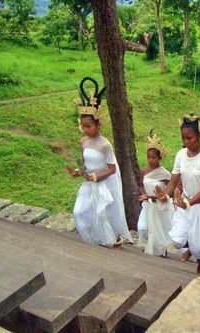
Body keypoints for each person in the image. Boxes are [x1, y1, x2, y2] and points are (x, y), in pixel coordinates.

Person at [67, 77, 132, 247]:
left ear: (98, 123)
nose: (86, 129)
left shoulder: (105, 144)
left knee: (103, 214)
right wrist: (77, 171)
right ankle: (94, 239)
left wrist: (95, 177)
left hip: (102, 182)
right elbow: (84, 163)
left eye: (89, 126)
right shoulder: (83, 142)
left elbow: (111, 169)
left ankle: (110, 240)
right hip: (89, 184)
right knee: (79, 212)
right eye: (83, 126)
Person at [157, 113, 200, 275]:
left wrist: (189, 203)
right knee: (176, 241)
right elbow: (173, 181)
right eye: (183, 138)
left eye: (189, 138)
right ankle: (192, 244)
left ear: (199, 136)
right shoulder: (180, 155)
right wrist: (165, 195)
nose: (185, 142)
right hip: (185, 203)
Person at [137, 132, 174, 257]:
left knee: (160, 226)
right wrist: (144, 196)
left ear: (159, 158)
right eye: (148, 157)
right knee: (143, 226)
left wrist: (159, 196)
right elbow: (141, 184)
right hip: (148, 202)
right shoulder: (144, 171)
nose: (150, 160)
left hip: (159, 203)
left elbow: (171, 187)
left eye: (153, 157)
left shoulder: (164, 173)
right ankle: (150, 244)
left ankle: (162, 249)